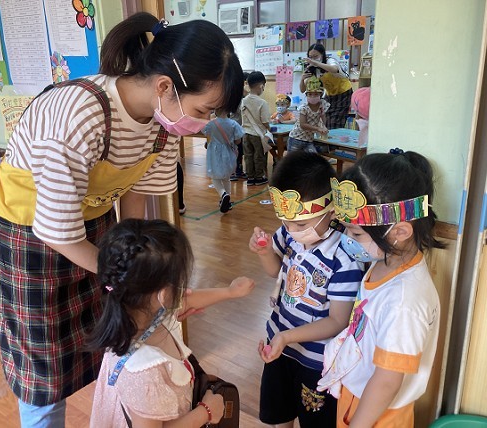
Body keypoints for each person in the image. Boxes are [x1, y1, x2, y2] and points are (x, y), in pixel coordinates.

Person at [0, 12, 244, 426]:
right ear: (165, 87)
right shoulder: (79, 113)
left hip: (94, 224)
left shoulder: (163, 126)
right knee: (43, 366)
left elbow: (134, 194)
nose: (205, 123)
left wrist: (135, 261)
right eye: (204, 109)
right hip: (30, 234)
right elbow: (57, 231)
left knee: (111, 335)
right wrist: (132, 277)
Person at [318, 149, 445, 427]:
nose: (347, 238)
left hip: (379, 414)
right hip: (361, 398)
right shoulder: (384, 262)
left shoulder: (403, 302)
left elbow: (387, 382)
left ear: (400, 232)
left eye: (356, 233)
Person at [85, 218, 255, 427]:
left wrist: (230, 292)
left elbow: (186, 301)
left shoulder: (138, 312)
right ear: (163, 295)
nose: (185, 289)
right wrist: (206, 412)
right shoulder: (144, 373)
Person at [248, 151, 366, 428]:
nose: (291, 229)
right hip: (279, 344)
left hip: (316, 361)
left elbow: (337, 321)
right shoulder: (289, 232)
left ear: (331, 211)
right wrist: (264, 252)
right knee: (280, 413)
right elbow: (275, 271)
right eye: (286, 221)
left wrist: (287, 337)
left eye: (300, 224)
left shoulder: (344, 257)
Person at [299, 43, 353, 129]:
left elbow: (334, 69)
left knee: (335, 123)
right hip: (330, 95)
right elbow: (302, 90)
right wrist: (302, 79)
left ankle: (334, 136)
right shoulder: (313, 69)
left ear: (322, 54)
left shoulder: (330, 61)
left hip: (344, 93)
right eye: (310, 57)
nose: (313, 59)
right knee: (325, 121)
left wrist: (316, 63)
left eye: (316, 56)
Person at [202, 108, 244, 213]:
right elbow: (238, 141)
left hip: (214, 152)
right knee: (226, 177)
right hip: (229, 152)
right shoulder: (233, 124)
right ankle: (227, 201)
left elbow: (205, 133)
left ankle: (223, 194)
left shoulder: (211, 124)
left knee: (214, 176)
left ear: (216, 111)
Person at [241, 71, 271, 186]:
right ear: (261, 86)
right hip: (258, 135)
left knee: (248, 155)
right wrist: (269, 129)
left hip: (245, 133)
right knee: (259, 156)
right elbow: (265, 121)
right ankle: (259, 177)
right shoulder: (262, 103)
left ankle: (250, 177)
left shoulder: (244, 100)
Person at [287, 76, 330, 153]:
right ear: (306, 95)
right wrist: (318, 129)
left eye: (316, 94)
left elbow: (323, 117)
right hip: (296, 138)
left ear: (320, 95)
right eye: (310, 94)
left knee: (313, 158)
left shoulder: (322, 104)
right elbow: (303, 125)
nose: (313, 96)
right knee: (292, 159)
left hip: (309, 140)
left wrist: (323, 127)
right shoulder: (304, 108)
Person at [229, 71, 250, 181]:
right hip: (234, 127)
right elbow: (238, 111)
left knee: (240, 151)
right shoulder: (236, 95)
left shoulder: (245, 96)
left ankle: (239, 171)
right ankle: (232, 172)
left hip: (241, 128)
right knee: (233, 151)